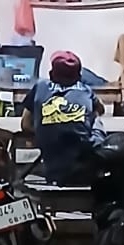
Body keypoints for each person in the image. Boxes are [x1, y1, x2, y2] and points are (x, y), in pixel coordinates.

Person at [21, 50, 106, 184]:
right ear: (79, 75)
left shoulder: (40, 86)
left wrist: (46, 131)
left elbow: (25, 124)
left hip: (52, 164)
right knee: (95, 117)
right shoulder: (86, 90)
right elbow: (101, 110)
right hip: (85, 162)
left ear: (51, 73)